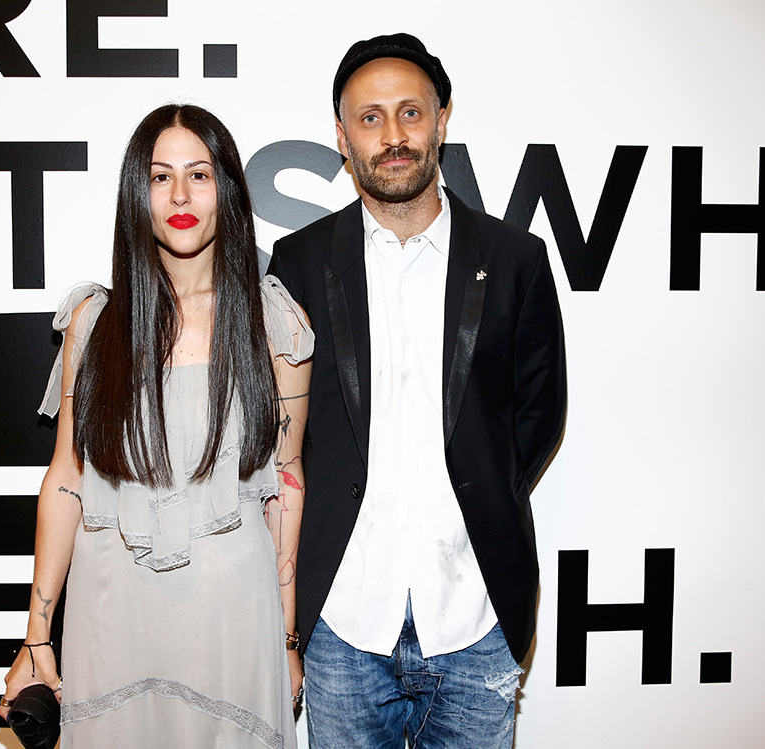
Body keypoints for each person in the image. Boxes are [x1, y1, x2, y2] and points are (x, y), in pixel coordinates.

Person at [267, 33, 566, 748]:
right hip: (342, 623)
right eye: (370, 118)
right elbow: (285, 436)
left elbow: (538, 414)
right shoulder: (299, 263)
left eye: (410, 112)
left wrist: (478, 490)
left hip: (474, 618)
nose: (393, 136)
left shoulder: (516, 260)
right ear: (342, 136)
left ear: (441, 120)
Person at [0, 104, 312, 748]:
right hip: (113, 615)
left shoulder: (273, 323)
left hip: (232, 617)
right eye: (159, 176)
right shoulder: (94, 324)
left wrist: (285, 638)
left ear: (228, 189)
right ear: (135, 197)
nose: (179, 196)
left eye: (199, 174)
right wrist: (37, 636)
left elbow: (286, 483)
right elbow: (66, 480)